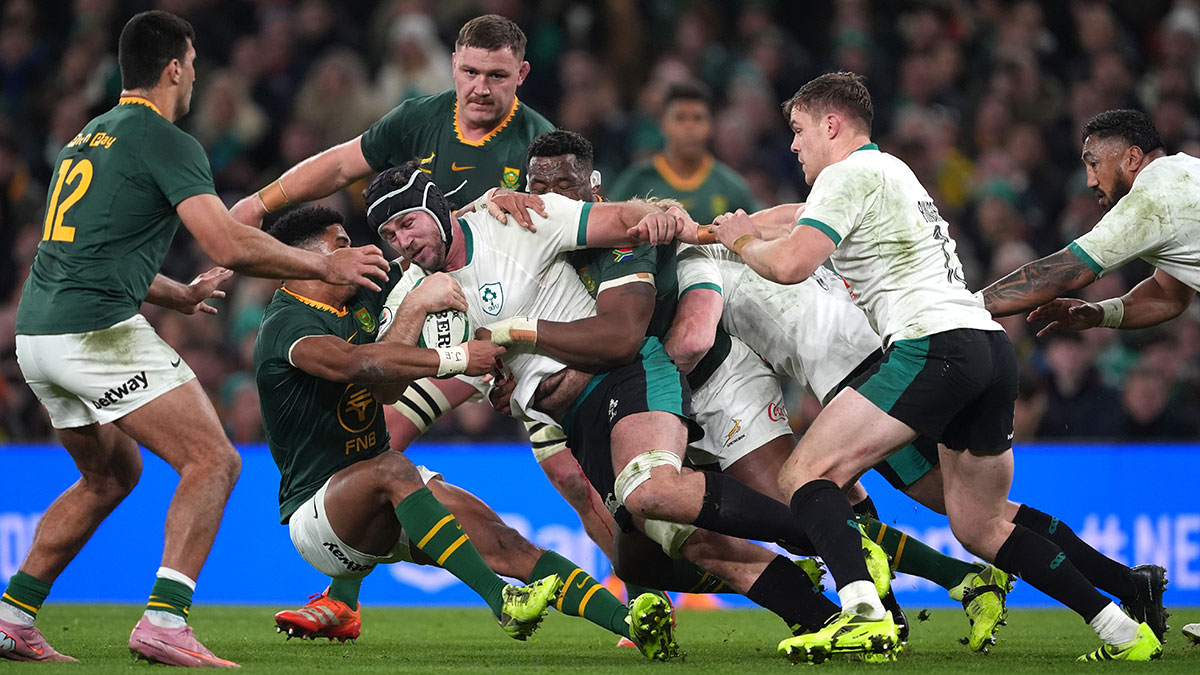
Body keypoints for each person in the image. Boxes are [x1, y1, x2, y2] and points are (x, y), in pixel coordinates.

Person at [683, 72, 1161, 662]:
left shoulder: (846, 174)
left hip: (929, 348)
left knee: (806, 474)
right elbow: (799, 216)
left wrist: (737, 242)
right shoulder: (888, 171)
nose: (793, 144)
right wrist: (744, 224)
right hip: (987, 347)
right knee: (981, 524)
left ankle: (861, 610)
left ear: (831, 125)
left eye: (800, 130)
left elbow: (790, 266)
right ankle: (1123, 624)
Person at [0, 11, 390, 667]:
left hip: (37, 334)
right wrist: (326, 264)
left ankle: (12, 615)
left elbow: (82, 251)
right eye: (194, 65)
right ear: (175, 67)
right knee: (215, 459)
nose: (195, 78)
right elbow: (227, 241)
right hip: (92, 331)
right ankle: (165, 620)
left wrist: (173, 292)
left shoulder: (88, 137)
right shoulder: (166, 139)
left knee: (108, 475)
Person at [369, 162, 883, 655]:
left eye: (408, 222)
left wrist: (659, 215)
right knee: (673, 548)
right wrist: (416, 306)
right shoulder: (411, 291)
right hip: (569, 421)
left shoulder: (517, 220)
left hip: (626, 375)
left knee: (652, 489)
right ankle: (823, 619)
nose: (404, 242)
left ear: (436, 208)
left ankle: (838, 543)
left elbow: (623, 218)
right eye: (389, 235)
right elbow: (385, 389)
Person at [675, 240, 1169, 649]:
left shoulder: (699, 264)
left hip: (864, 371)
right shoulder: (759, 245)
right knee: (977, 510)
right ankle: (1127, 584)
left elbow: (698, 335)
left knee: (820, 485)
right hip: (887, 350)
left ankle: (884, 610)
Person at [254, 205, 678, 658]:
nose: (357, 251)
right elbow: (351, 364)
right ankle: (501, 601)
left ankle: (631, 624)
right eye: (342, 246)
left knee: (506, 543)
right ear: (302, 261)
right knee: (392, 468)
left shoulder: (359, 294)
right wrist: (455, 359)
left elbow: (420, 248)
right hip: (318, 514)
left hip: (388, 498)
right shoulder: (286, 324)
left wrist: (479, 204)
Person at [229, 11, 555, 479]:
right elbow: (341, 165)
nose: (480, 88)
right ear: (453, 65)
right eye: (470, 72)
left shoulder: (541, 145)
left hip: (514, 320)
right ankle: (361, 537)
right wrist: (259, 202)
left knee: (574, 481)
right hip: (442, 318)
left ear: (521, 75)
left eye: (497, 76)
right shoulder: (420, 117)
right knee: (379, 438)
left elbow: (571, 235)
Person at [981, 109, 1198, 336]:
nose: (1090, 181)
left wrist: (964, 307)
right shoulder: (1185, 172)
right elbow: (1168, 294)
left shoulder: (1150, 198)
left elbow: (1056, 275)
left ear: (1133, 158)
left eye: (1094, 164)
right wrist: (1099, 313)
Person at [608, 80, 761, 224]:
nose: (689, 127)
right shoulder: (635, 182)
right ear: (662, 124)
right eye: (680, 118)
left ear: (711, 126)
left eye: (697, 118)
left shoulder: (732, 186)